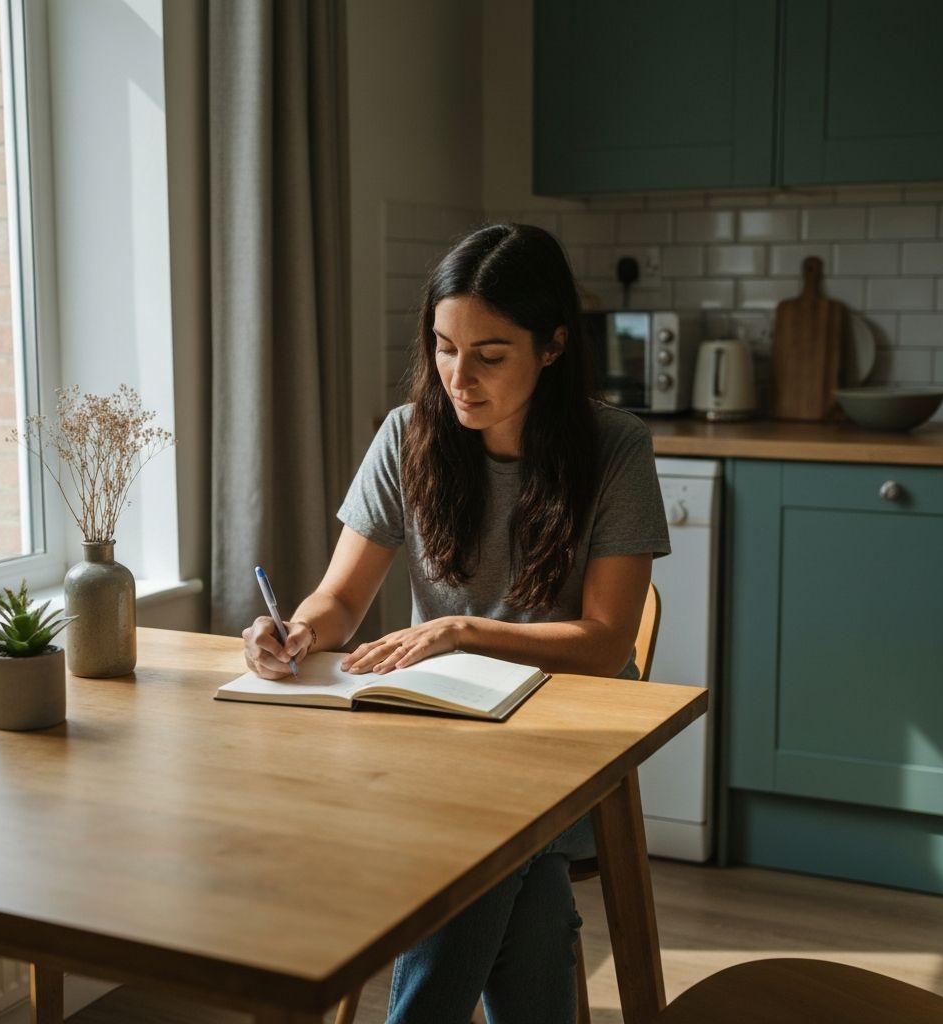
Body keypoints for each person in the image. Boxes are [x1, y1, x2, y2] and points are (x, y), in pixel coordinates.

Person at [242, 223, 670, 1024]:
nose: (458, 377)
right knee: (525, 902)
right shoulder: (408, 436)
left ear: (551, 348)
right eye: (443, 347)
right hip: (434, 748)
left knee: (478, 858)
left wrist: (462, 631)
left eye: (489, 354)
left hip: (565, 757)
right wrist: (293, 631)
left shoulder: (615, 447)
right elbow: (339, 600)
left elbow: (609, 641)